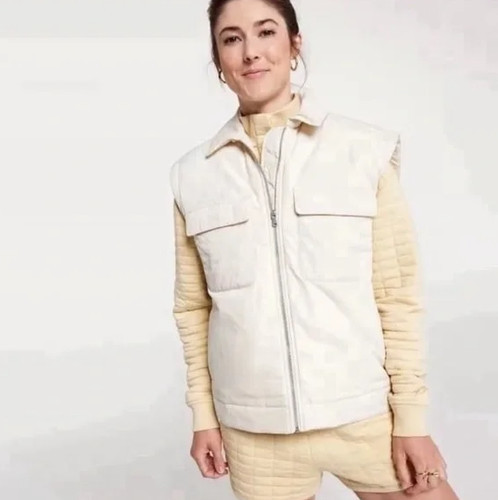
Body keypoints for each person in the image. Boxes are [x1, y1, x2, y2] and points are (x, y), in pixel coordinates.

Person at [169, 1, 460, 499]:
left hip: (363, 415)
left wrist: (411, 420)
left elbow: (397, 295)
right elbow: (194, 309)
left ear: (294, 45)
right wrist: (204, 417)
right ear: (218, 60)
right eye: (232, 39)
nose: (251, 52)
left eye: (266, 32)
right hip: (255, 435)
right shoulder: (194, 174)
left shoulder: (362, 150)